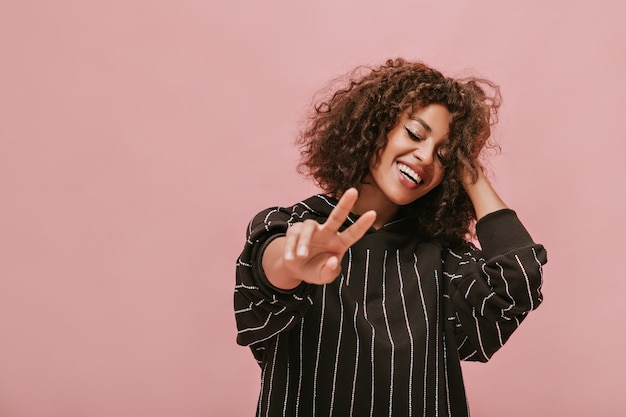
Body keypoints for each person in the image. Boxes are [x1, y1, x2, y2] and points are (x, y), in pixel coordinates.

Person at [234, 58, 547, 417]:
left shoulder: (443, 258)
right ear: (375, 126)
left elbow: (518, 279)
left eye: (444, 155)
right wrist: (293, 262)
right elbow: (267, 270)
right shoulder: (294, 224)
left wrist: (468, 167)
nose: (426, 157)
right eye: (415, 134)